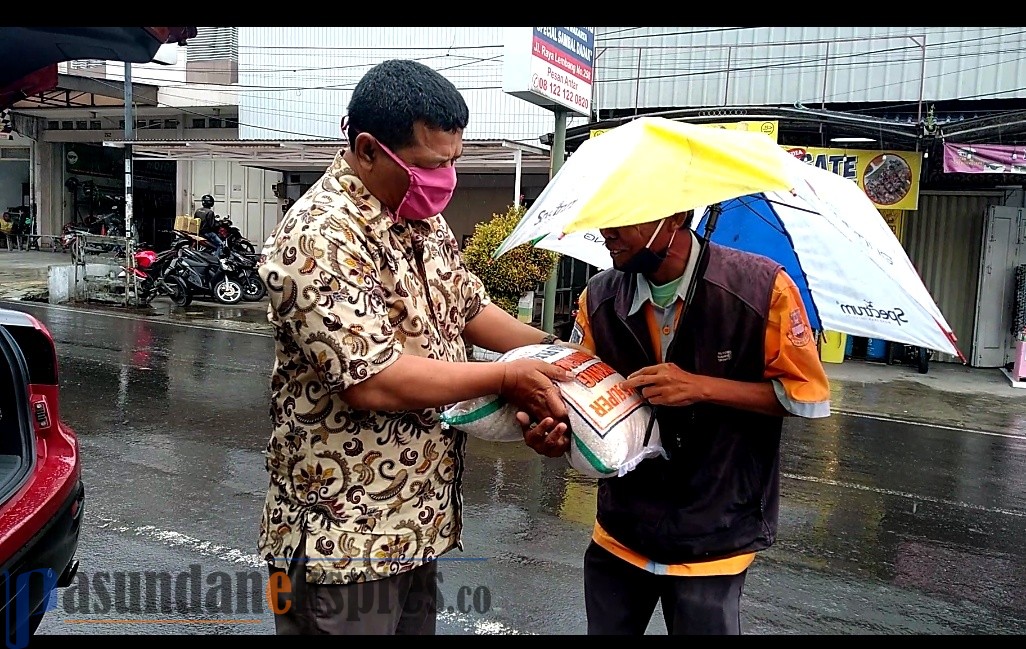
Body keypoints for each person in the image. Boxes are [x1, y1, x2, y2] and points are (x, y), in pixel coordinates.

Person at [256, 58, 572, 636]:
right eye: (432, 164)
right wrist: (507, 377)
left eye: (455, 161)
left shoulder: (419, 218)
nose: (446, 177)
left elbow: (472, 309)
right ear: (369, 149)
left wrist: (563, 355)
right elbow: (375, 379)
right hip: (341, 534)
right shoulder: (316, 238)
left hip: (413, 520)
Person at [519, 210, 831, 635]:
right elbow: (583, 393)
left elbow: (804, 396)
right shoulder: (598, 297)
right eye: (601, 216)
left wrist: (702, 387)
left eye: (621, 216)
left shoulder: (763, 288)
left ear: (675, 217)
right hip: (620, 530)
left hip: (714, 535)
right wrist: (557, 434)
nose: (606, 232)